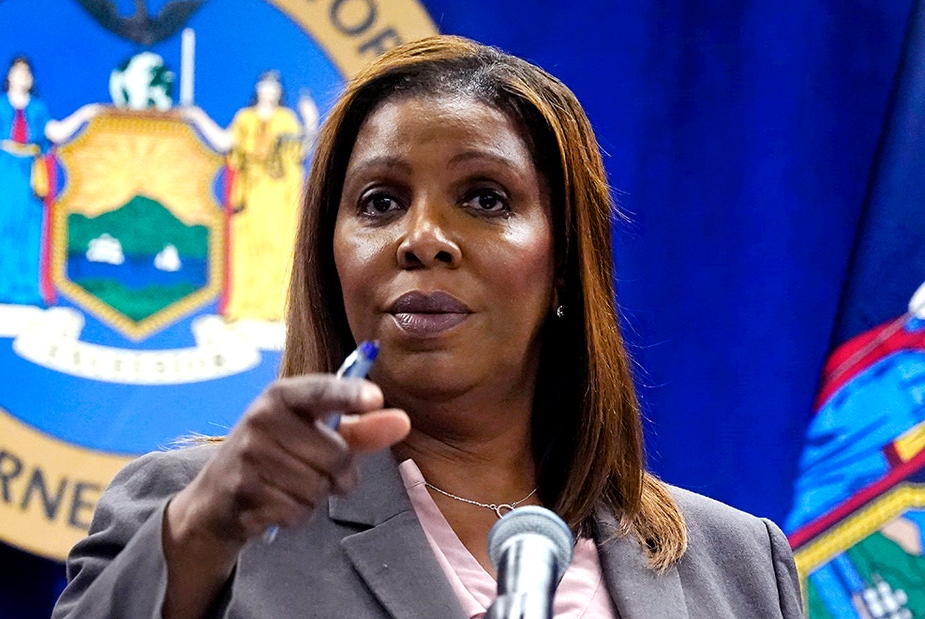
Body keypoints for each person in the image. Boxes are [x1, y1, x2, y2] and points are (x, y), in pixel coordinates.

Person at [52, 36, 803, 618]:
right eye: (379, 202)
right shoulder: (203, 515)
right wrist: (202, 531)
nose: (421, 238)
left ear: (567, 261)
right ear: (331, 255)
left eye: (484, 198)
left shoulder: (736, 563)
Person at [181, 71, 319, 323]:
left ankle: (276, 307)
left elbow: (301, 150)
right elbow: (224, 142)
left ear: (279, 91)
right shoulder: (245, 119)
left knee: (277, 246)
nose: (269, 91)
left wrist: (310, 119)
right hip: (250, 194)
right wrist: (198, 118)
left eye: (274, 86)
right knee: (246, 247)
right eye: (265, 86)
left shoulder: (286, 119)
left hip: (278, 197)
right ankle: (244, 306)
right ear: (258, 89)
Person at [0, 56, 101, 306]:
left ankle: (27, 292)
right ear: (9, 77)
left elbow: (55, 133)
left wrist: (84, 114)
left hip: (31, 174)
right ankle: (1, 291)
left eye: (26, 73)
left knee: (30, 230)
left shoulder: (38, 108)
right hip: (1, 174)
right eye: (17, 72)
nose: (22, 77)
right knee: (1, 228)